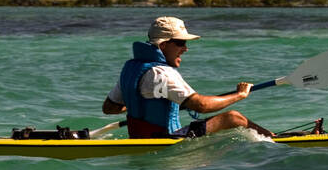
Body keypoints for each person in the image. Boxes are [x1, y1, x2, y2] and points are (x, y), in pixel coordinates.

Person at [103, 16, 274, 139]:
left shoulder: (131, 68)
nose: (185, 48)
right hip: (167, 139)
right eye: (181, 43)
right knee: (233, 117)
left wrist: (139, 103)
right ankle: (275, 139)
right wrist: (240, 95)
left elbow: (109, 108)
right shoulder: (162, 73)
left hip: (138, 138)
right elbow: (201, 105)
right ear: (163, 45)